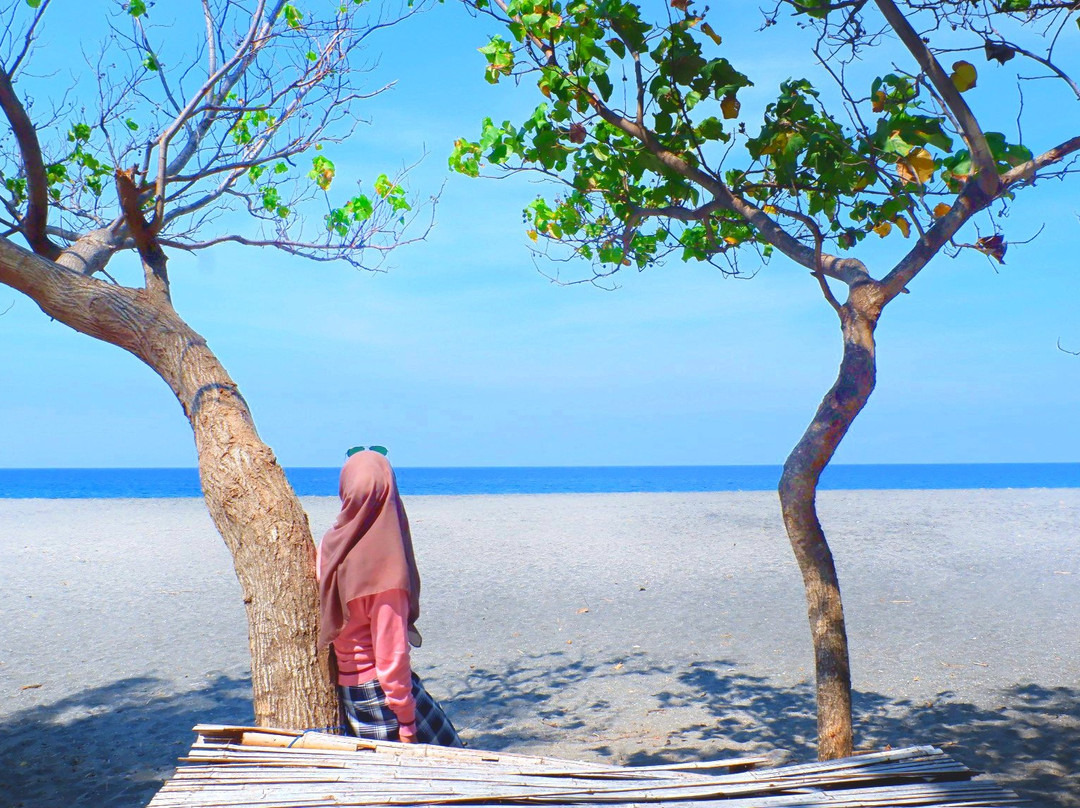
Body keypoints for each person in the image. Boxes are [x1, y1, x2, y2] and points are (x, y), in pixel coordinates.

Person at [317, 449, 463, 746]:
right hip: (382, 695)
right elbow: (391, 654)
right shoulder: (385, 568)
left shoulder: (330, 545)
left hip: (350, 687)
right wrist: (407, 723)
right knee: (450, 759)